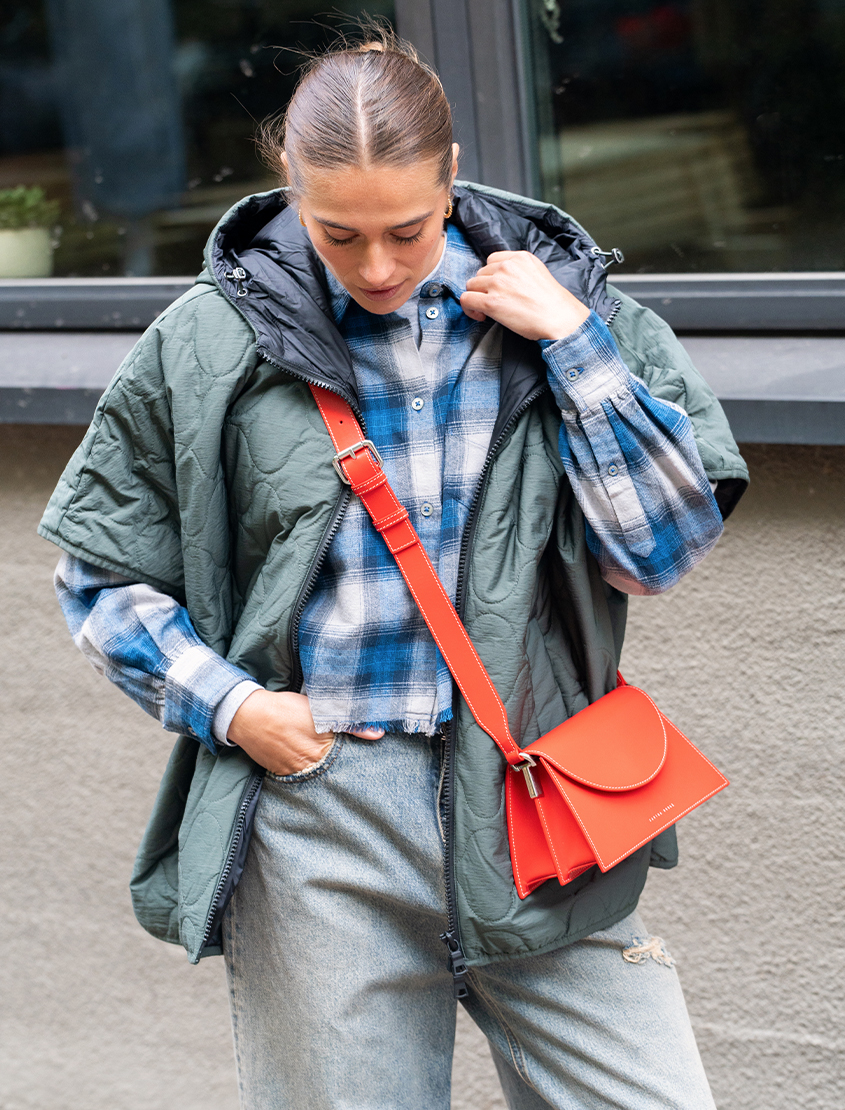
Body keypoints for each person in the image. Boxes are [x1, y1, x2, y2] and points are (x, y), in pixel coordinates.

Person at [41, 31, 748, 1110]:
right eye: (339, 235)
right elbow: (99, 576)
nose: (377, 267)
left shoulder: (575, 316)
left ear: (451, 174)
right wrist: (234, 708)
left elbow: (659, 554)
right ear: (291, 183)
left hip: (532, 799)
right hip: (321, 815)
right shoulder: (204, 345)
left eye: (407, 231)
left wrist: (576, 347)